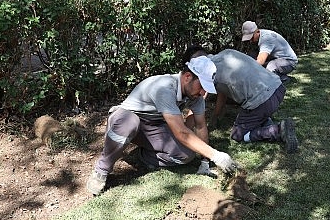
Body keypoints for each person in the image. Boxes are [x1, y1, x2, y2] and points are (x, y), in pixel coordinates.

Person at [86, 56, 239, 196]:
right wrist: (216, 155)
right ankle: (102, 170)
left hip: (153, 126)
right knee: (130, 123)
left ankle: (143, 156)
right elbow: (182, 133)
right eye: (201, 86)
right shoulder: (165, 88)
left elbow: (200, 126)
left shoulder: (195, 96)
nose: (203, 92)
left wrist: (205, 161)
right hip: (125, 119)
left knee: (186, 155)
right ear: (187, 77)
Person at [184, 46, 298, 154]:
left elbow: (198, 103)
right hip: (278, 88)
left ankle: (277, 130)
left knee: (238, 135)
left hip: (264, 100)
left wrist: (186, 132)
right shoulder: (227, 52)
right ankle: (263, 120)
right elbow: (222, 93)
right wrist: (215, 116)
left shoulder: (209, 73)